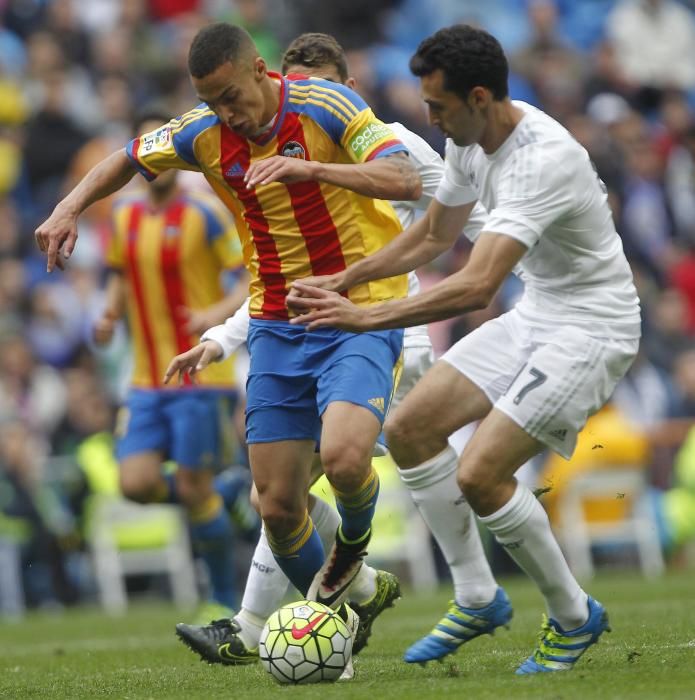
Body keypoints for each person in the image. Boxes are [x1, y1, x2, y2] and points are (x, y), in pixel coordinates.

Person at [34, 22, 421, 638]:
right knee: (274, 504)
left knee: (347, 460)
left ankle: (351, 552)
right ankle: (345, 619)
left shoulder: (329, 104)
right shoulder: (202, 131)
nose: (225, 113)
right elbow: (126, 158)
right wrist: (68, 206)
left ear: (260, 70)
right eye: (210, 100)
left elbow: (405, 178)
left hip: (356, 307)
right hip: (275, 321)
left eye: (231, 96)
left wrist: (315, 173)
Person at [288, 24, 641, 675]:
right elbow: (430, 237)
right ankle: (477, 596)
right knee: (410, 429)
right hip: (539, 310)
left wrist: (363, 318)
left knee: (480, 474)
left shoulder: (539, 159)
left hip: (593, 327)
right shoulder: (469, 139)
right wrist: (346, 280)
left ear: (479, 96)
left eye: (437, 106)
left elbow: (476, 285)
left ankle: (572, 616)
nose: (427, 118)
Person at [171, 32, 475, 666]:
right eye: (296, 84)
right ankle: (330, 598)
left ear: (348, 90)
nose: (304, 98)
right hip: (307, 331)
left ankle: (467, 589)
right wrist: (220, 338)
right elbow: (278, 275)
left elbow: (464, 214)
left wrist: (524, 246)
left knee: (395, 463)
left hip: (394, 329)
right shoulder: (262, 139)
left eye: (322, 86)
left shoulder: (387, 141)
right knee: (276, 496)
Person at [93, 107, 250, 618]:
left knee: (189, 486)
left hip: (202, 374)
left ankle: (223, 600)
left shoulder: (204, 213)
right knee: (134, 483)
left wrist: (213, 313)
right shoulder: (124, 216)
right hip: (145, 377)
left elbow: (249, 278)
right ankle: (224, 492)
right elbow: (119, 272)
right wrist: (111, 313)